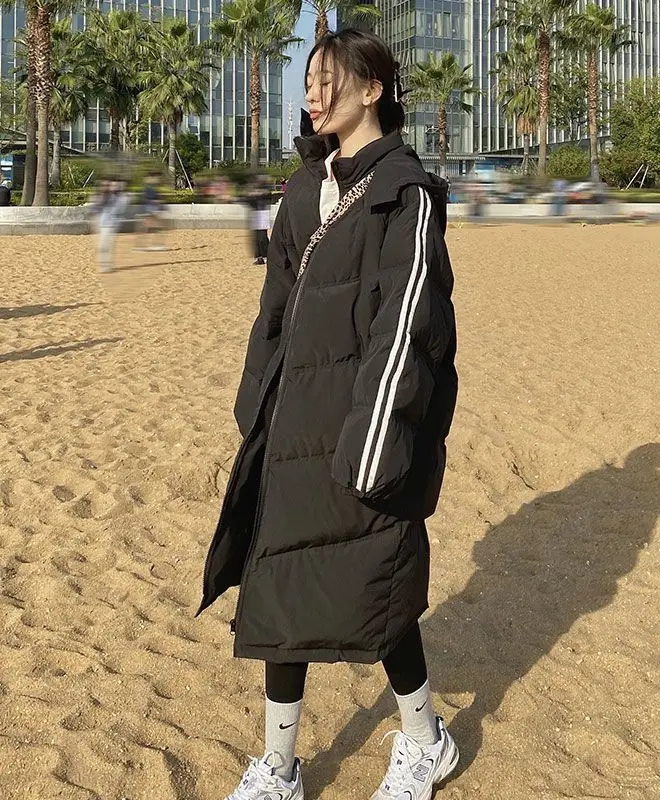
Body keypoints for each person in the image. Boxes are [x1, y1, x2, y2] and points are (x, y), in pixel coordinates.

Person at [197, 28, 459, 800]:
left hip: (363, 427)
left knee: (375, 578)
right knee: (281, 581)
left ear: (372, 89)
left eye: (327, 81)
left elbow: (410, 321)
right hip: (292, 425)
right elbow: (274, 308)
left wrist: (377, 434)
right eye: (307, 83)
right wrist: (257, 403)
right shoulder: (303, 188)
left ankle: (426, 741)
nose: (311, 96)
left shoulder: (405, 193)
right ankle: (279, 765)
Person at [89, 179, 131, 273]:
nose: (111, 187)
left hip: (110, 224)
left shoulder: (118, 198)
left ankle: (107, 266)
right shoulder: (104, 197)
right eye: (110, 186)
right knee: (103, 246)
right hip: (102, 224)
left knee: (106, 246)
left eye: (113, 186)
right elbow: (96, 209)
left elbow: (121, 207)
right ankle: (104, 265)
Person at [241, 176, 273, 265]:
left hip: (263, 215)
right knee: (256, 238)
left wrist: (255, 194)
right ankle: (259, 257)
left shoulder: (265, 192)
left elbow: (267, 197)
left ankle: (266, 256)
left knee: (262, 237)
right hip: (255, 215)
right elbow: (247, 201)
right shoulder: (253, 193)